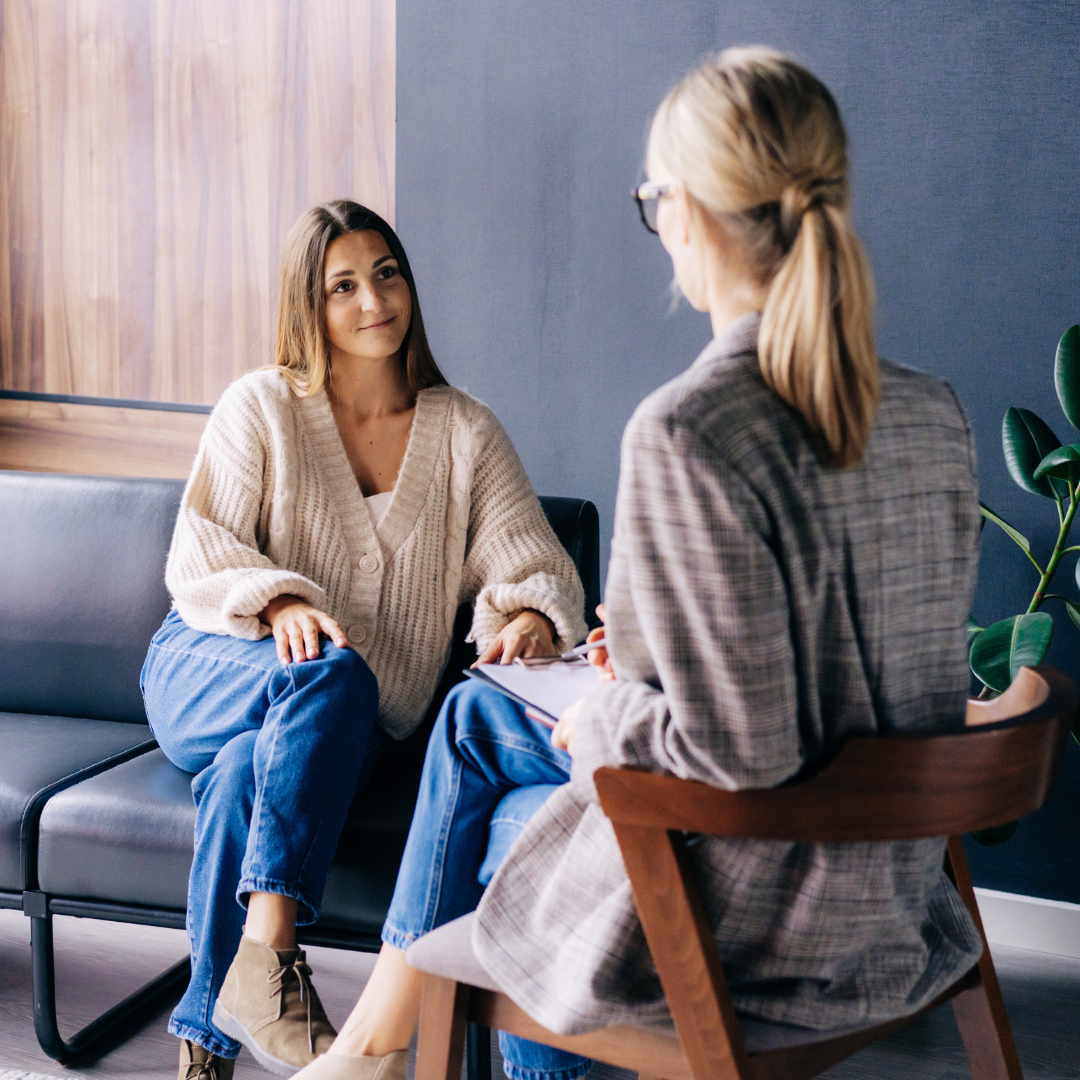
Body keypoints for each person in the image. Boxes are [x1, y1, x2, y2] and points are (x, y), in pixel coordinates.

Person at [292, 47, 983, 1080]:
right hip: (888, 895)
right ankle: (369, 1045)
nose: (655, 219)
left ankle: (378, 1045)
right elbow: (846, 669)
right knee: (480, 713)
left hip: (765, 912)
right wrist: (645, 663)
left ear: (693, 214)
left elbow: (734, 750)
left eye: (653, 196)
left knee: (520, 837)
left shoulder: (691, 429)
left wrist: (609, 713)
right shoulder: (931, 411)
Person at [140, 200, 587, 1080]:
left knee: (248, 769)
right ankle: (269, 960)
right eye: (341, 284)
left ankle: (206, 1043)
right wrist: (278, 606)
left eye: (385, 273)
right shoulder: (261, 405)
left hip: (347, 720)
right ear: (310, 304)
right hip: (211, 662)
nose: (372, 299)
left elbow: (531, 559)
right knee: (332, 675)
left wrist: (528, 617)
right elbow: (200, 551)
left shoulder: (465, 431)